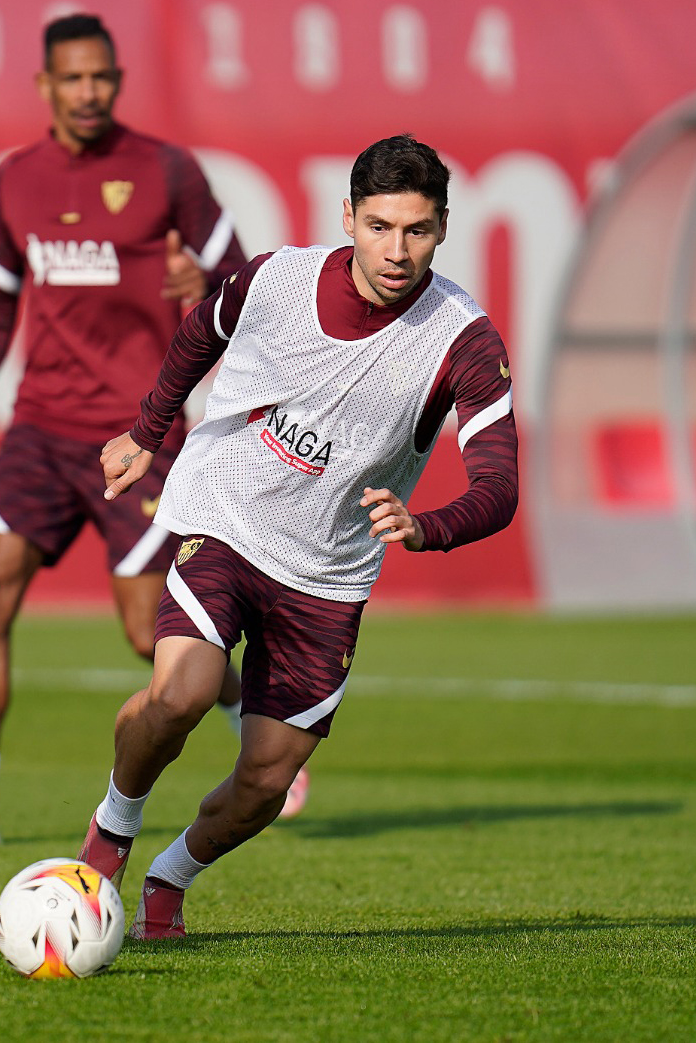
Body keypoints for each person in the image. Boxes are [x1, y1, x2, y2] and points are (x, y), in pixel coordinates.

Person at [78, 134, 519, 938]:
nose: (396, 250)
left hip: (328, 574)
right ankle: (110, 831)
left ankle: (169, 879)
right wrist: (146, 432)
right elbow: (199, 333)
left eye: (416, 230)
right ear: (347, 215)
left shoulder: (463, 338)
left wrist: (429, 526)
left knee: (266, 783)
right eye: (379, 226)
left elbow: (499, 486)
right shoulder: (276, 278)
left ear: (444, 228)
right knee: (179, 695)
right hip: (228, 516)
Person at [0, 13, 260, 850]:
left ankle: (260, 734)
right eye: (73, 78)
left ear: (118, 81)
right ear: (45, 86)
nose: (89, 91)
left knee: (150, 632)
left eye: (102, 76)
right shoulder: (15, 180)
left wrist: (198, 275)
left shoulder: (167, 171)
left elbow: (245, 277)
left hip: (137, 432)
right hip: (38, 427)